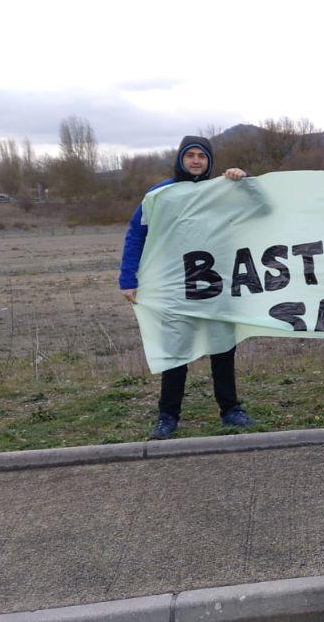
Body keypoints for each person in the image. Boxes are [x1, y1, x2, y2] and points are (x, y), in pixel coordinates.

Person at [119, 135, 256, 440]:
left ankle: (230, 409)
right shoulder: (161, 194)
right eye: (190, 155)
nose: (196, 161)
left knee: (223, 350)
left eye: (202, 156)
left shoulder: (223, 190)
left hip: (217, 286)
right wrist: (128, 278)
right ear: (181, 159)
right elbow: (136, 234)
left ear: (210, 161)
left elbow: (262, 210)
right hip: (176, 288)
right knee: (176, 353)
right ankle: (167, 416)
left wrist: (244, 182)